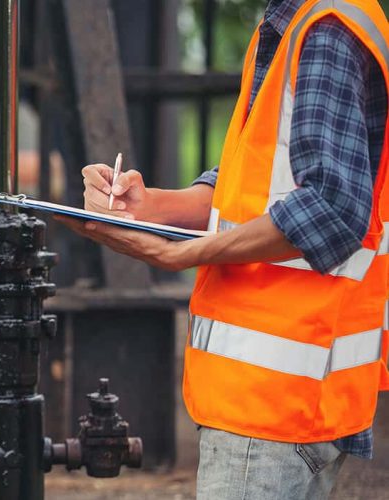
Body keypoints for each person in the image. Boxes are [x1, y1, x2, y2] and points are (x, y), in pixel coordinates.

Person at [56, 1, 389, 498]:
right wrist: (150, 206)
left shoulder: (325, 31)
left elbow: (331, 209)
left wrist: (184, 255)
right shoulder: (296, 25)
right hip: (280, 398)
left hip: (273, 401)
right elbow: (254, 189)